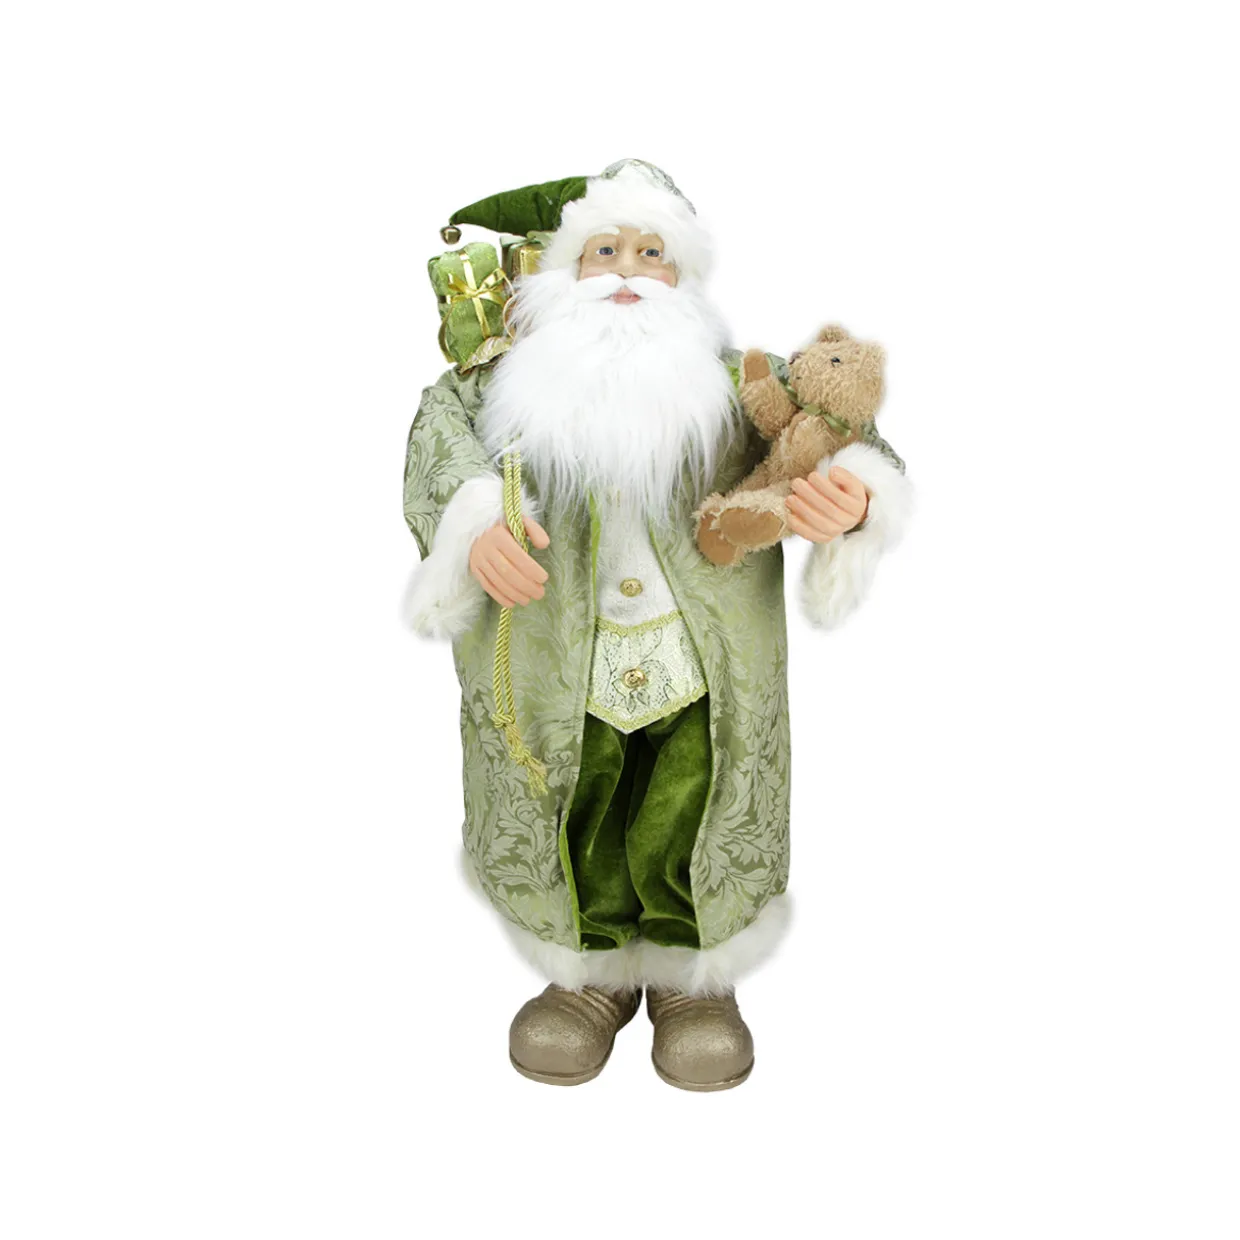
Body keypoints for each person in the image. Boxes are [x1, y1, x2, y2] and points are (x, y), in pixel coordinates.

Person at [403, 159, 911, 1090]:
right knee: (579, 806)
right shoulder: (501, 386)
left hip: (701, 665)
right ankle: (589, 977)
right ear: (563, 270)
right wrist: (473, 522)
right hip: (561, 661)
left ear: (684, 278)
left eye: (652, 253)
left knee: (692, 803)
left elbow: (837, 427)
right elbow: (439, 440)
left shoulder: (737, 384)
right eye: (605, 251)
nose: (628, 271)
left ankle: (692, 980)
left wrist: (853, 496)